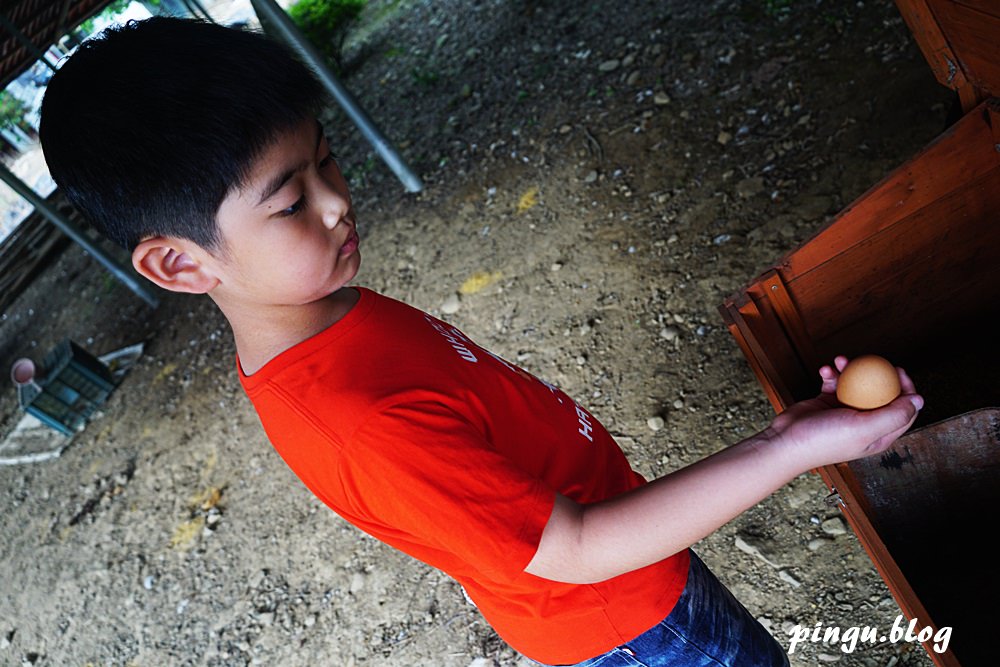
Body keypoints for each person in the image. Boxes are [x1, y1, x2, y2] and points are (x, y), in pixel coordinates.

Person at [38, 17, 923, 667]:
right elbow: (575, 548)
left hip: (624, 569)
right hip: (632, 618)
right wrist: (792, 442)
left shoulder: (321, 310)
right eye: (290, 201)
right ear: (181, 264)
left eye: (327, 161)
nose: (340, 201)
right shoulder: (360, 423)